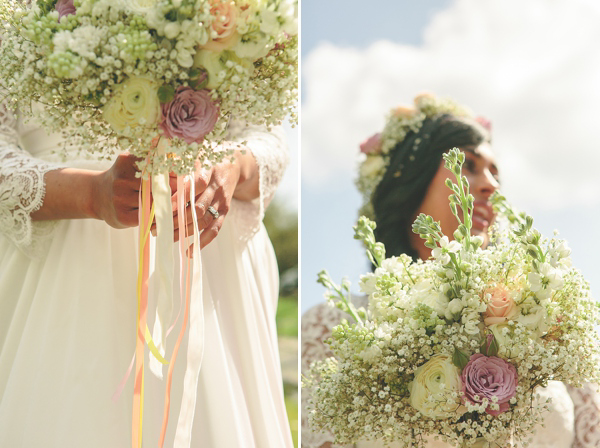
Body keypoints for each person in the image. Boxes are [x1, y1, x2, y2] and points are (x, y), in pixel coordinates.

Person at [301, 94, 600, 448]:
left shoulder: (547, 321)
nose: (491, 185)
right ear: (412, 183)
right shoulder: (334, 326)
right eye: (469, 166)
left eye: (494, 172)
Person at [0, 97, 294, 447]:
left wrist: (229, 167)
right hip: (62, 249)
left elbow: (267, 136)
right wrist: (90, 194)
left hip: (204, 246)